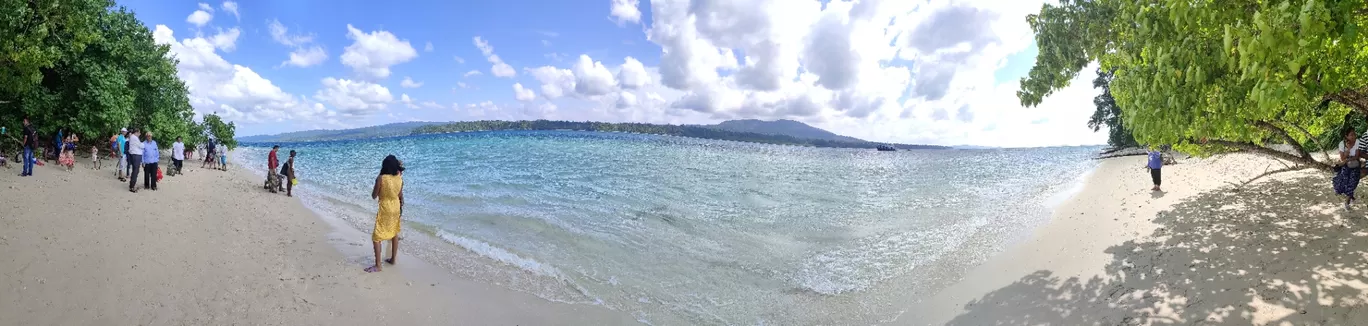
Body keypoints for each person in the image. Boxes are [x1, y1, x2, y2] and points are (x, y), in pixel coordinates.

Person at [365, 155, 405, 273]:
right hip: (396, 206)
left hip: (385, 208)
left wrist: (377, 183)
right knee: (394, 232)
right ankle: (393, 259)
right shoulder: (399, 177)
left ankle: (378, 265)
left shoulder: (381, 178)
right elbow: (400, 194)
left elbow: (374, 196)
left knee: (376, 237)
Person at [1336, 128, 1362, 210]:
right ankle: (1350, 195)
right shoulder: (1342, 144)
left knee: (1354, 181)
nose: (1353, 136)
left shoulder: (1357, 142)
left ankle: (1347, 201)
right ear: (1346, 136)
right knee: (1345, 182)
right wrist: (1348, 149)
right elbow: (1342, 158)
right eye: (1351, 135)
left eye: (1354, 134)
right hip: (1345, 165)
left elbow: (1357, 156)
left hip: (1355, 164)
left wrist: (1348, 159)